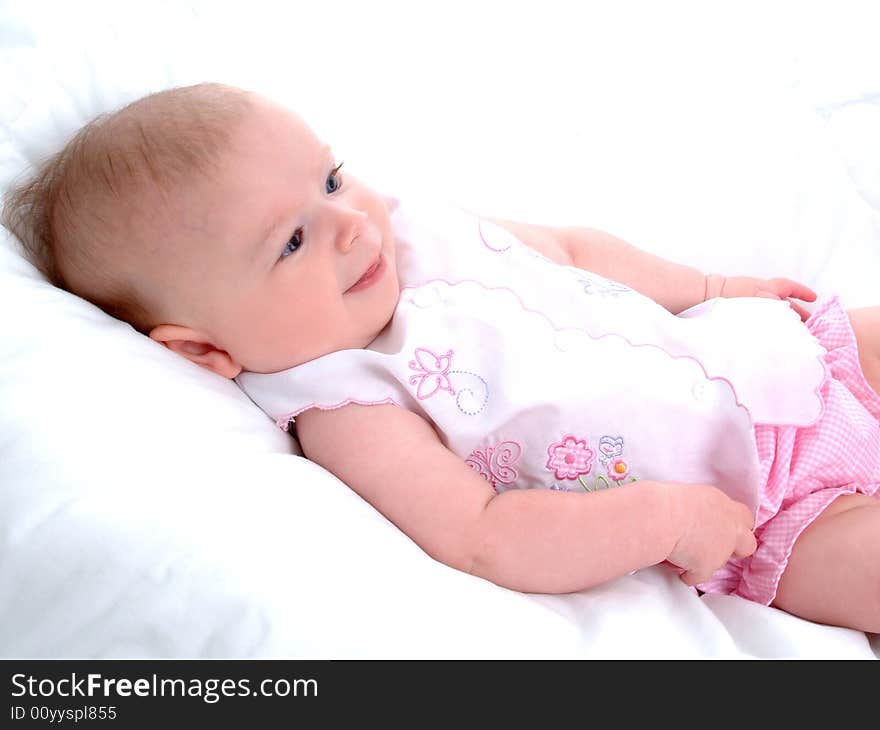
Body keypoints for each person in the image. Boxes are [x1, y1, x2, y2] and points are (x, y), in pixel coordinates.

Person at [5, 83, 880, 632]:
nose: (350, 223)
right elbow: (484, 537)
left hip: (789, 357)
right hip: (763, 512)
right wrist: (668, 524)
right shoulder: (347, 406)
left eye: (330, 177)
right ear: (202, 347)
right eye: (293, 240)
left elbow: (575, 249)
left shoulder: (416, 228)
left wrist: (714, 285)